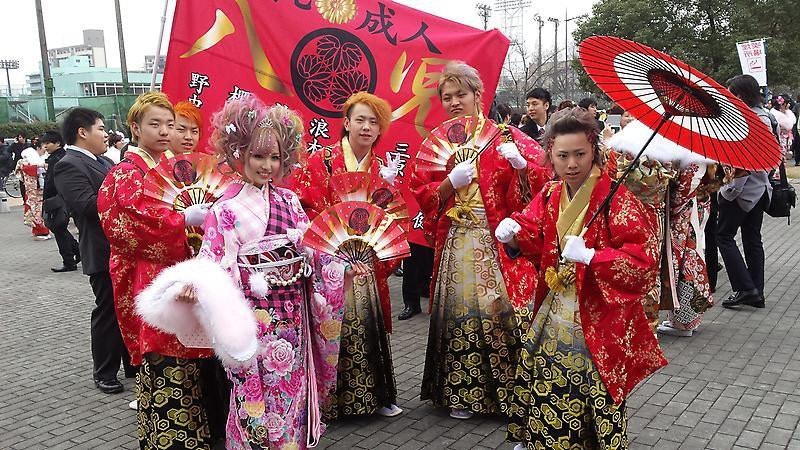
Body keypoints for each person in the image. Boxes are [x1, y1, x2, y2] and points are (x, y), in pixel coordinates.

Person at [498, 107, 667, 449]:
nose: (571, 164)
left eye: (580, 154)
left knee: (592, 381)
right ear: (550, 156)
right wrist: (514, 234)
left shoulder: (617, 199)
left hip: (597, 309)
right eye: (562, 156)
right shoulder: (548, 195)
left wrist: (594, 258)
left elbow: (642, 260)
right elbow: (534, 232)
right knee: (549, 374)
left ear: (594, 151)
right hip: (556, 303)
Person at [411, 61, 551, 420]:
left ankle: (509, 393)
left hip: (496, 242)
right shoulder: (437, 141)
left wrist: (522, 168)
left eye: (462, 94)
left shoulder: (504, 136)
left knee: (497, 311)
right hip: (457, 240)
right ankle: (461, 392)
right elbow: (421, 194)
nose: (455, 102)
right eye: (447, 97)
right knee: (459, 313)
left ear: (478, 95)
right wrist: (448, 184)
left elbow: (546, 183)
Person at [97, 92, 216, 449]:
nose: (165, 131)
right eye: (155, 124)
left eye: (169, 124)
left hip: (185, 269)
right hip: (150, 275)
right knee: (165, 347)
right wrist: (181, 222)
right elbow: (134, 222)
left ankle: (202, 431)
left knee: (196, 348)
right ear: (135, 127)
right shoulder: (127, 173)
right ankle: (172, 438)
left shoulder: (172, 166)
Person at [291, 91, 403, 419]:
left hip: (365, 259)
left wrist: (385, 197)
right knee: (332, 325)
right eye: (360, 120)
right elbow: (305, 206)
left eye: (374, 122)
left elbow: (393, 219)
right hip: (331, 261)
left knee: (368, 325)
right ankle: (329, 402)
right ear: (347, 123)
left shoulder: (382, 167)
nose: (367, 127)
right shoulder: (322, 160)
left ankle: (374, 397)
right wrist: (333, 240)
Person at [53, 108, 133, 394]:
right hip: (101, 250)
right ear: (82, 132)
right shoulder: (68, 164)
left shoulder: (101, 160)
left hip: (122, 247)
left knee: (126, 309)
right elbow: (86, 206)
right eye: (100, 128)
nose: (105, 134)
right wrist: (126, 192)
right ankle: (104, 371)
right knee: (108, 311)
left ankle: (130, 363)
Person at [718, 75, 773, 309]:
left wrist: (728, 191)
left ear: (739, 95)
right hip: (760, 189)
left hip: (742, 190)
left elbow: (745, 163)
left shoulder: (750, 121)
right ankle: (756, 292)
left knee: (724, 237)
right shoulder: (765, 117)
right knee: (753, 240)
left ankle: (745, 288)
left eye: (731, 92)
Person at [41, 130, 80, 272]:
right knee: (59, 228)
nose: (45, 146)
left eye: (48, 143)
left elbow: (53, 183)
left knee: (58, 229)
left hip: (56, 200)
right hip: (59, 199)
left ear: (57, 143)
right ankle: (77, 251)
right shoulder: (59, 157)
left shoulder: (57, 160)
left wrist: (48, 200)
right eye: (44, 143)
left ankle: (69, 261)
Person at [17, 138, 50, 239]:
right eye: (44, 147)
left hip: (41, 186)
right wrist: (39, 166)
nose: (46, 149)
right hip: (33, 188)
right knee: (35, 209)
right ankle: (39, 231)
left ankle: (43, 230)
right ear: (39, 147)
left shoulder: (44, 156)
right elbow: (24, 167)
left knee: (41, 209)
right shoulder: (29, 155)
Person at [397, 242, 434, 320]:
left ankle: (426, 289)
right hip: (414, 234)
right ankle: (411, 304)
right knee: (411, 266)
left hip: (436, 233)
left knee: (430, 260)